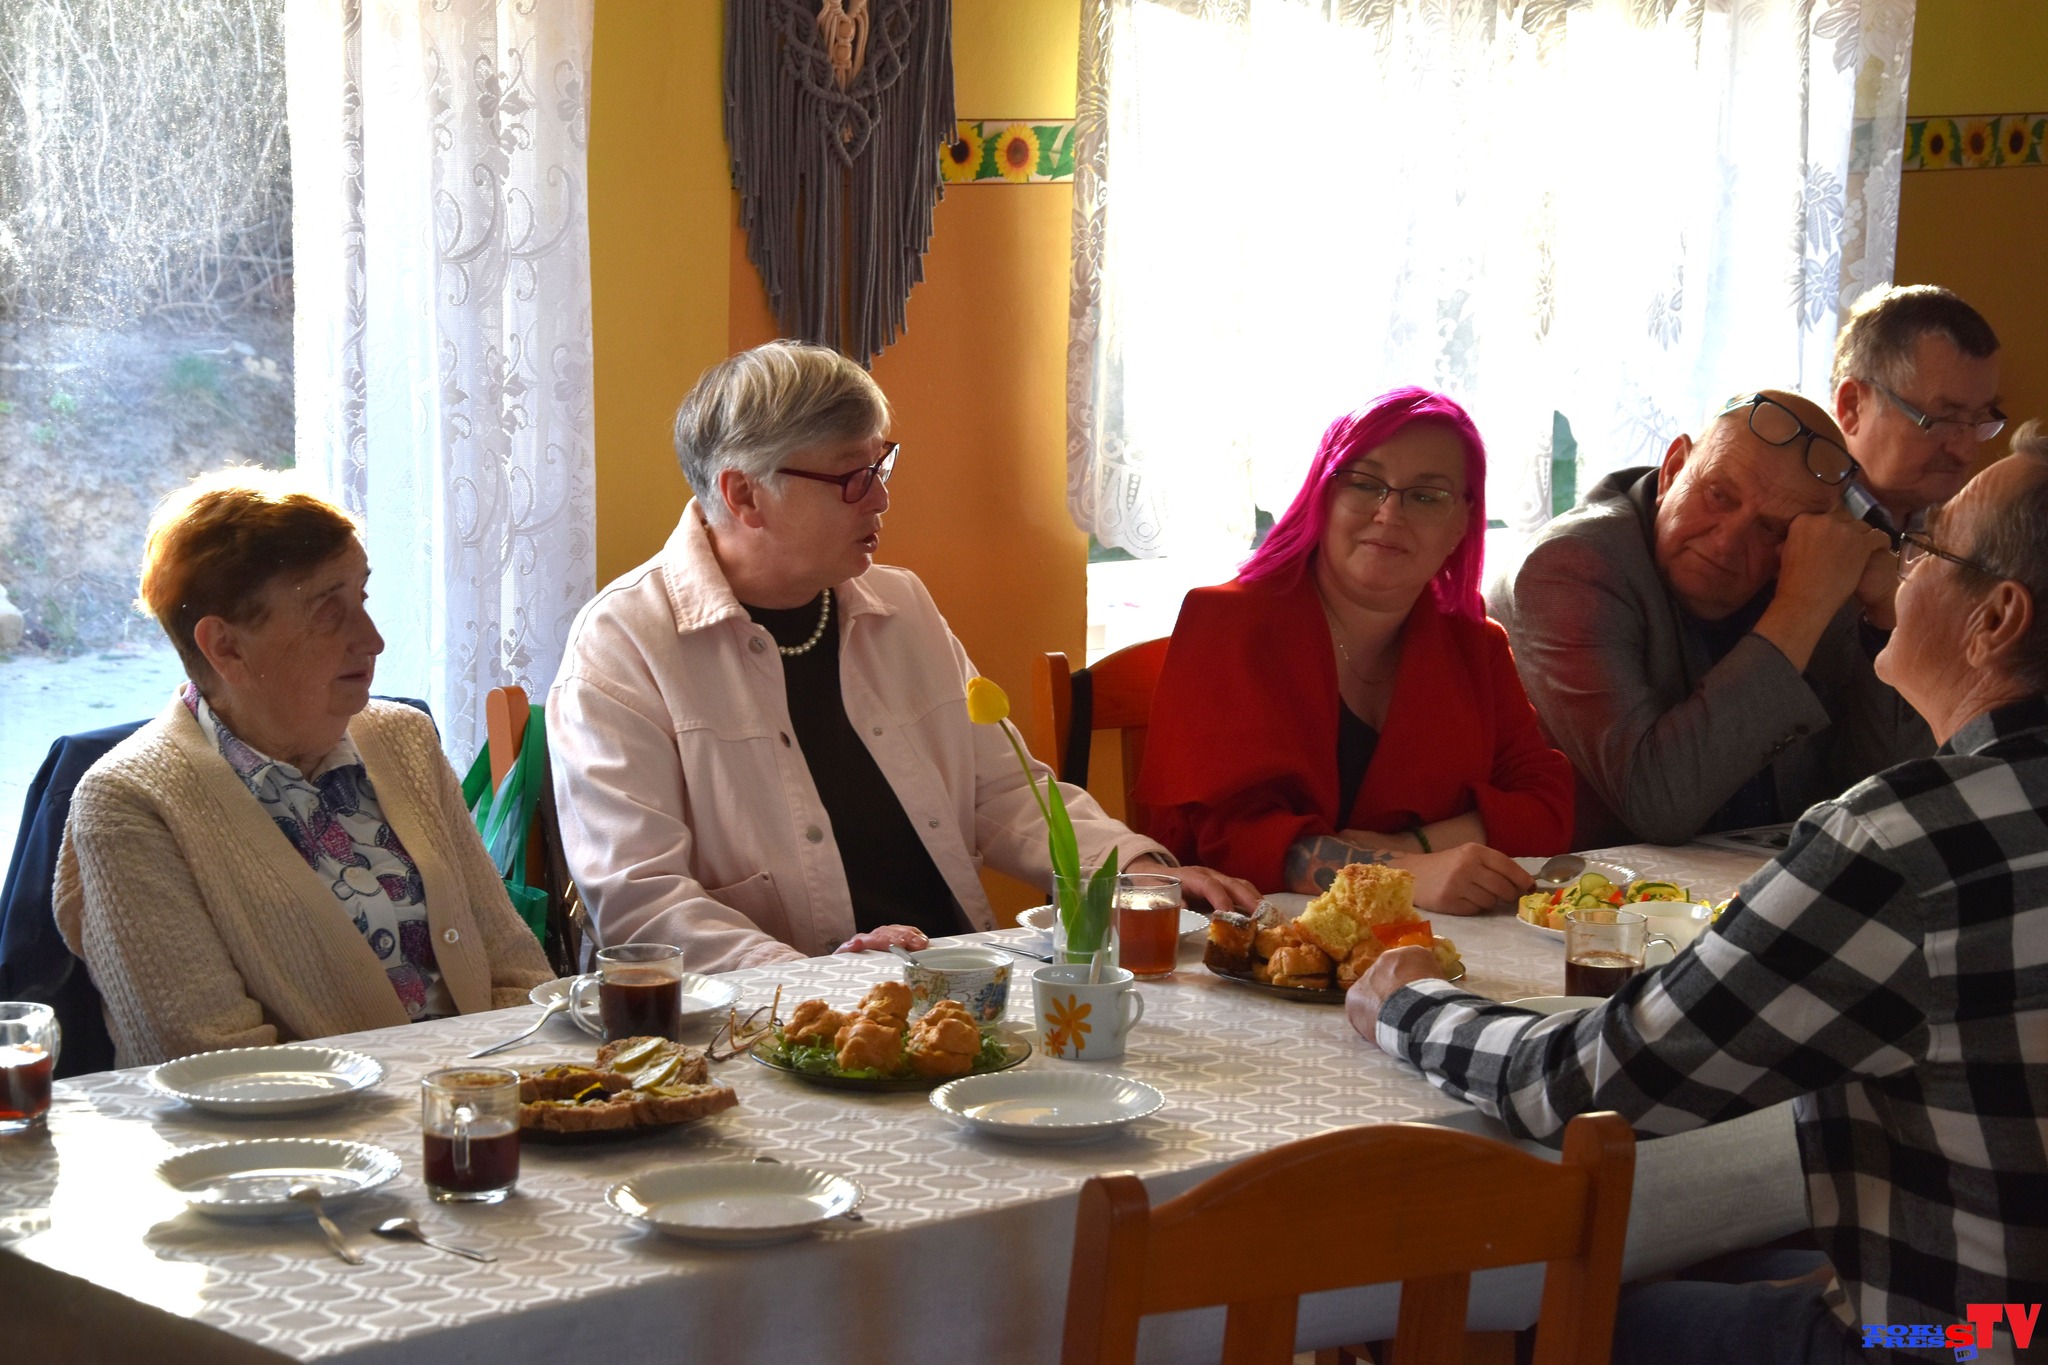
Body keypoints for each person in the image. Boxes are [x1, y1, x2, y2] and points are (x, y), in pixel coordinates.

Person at [1350, 447, 2048, 1363]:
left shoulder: (1907, 842)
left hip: (1946, 1341)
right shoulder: (1582, 564)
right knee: (1717, 1259)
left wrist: (1405, 1002)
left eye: (1927, 547)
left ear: (1996, 618)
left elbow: (1576, 1084)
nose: (1896, 567)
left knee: (1504, 1319)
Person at [548, 341, 1259, 974]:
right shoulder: (624, 645)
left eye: (882, 464)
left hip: (954, 988)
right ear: (744, 495)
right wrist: (810, 981)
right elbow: (641, 899)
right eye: (851, 478)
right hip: (766, 1026)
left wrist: (1132, 867)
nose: (882, 498)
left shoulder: (901, 605)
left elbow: (1003, 791)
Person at [55, 470, 552, 1067]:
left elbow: (518, 971)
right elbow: (213, 1062)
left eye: (361, 598)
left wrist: (507, 1088)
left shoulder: (404, 738)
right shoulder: (130, 802)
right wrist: (445, 1094)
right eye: (327, 611)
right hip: (304, 1126)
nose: (372, 639)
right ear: (226, 647)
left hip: (481, 1101)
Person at [1136, 388, 1573, 913]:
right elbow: (1229, 839)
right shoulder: (1226, 622)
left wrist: (1414, 846)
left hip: (1428, 934)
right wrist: (1400, 874)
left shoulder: (1476, 644)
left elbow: (1546, 805)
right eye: (1365, 484)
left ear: (1461, 523)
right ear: (1322, 496)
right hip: (1239, 934)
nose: (1390, 514)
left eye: (1426, 496)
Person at [1489, 389, 1930, 847]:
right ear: (1673, 469)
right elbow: (1656, 802)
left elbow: (1893, 801)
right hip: (1586, 886)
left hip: (1759, 878)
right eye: (1719, 495)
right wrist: (1799, 610)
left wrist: (1886, 615)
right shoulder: (1568, 568)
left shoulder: (1810, 571)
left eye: (1771, 528)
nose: (1726, 542)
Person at [1831, 284, 2002, 531]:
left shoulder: (1976, 535)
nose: (1966, 452)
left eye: (1979, 419)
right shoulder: (1785, 530)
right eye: (1942, 420)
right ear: (1852, 406)